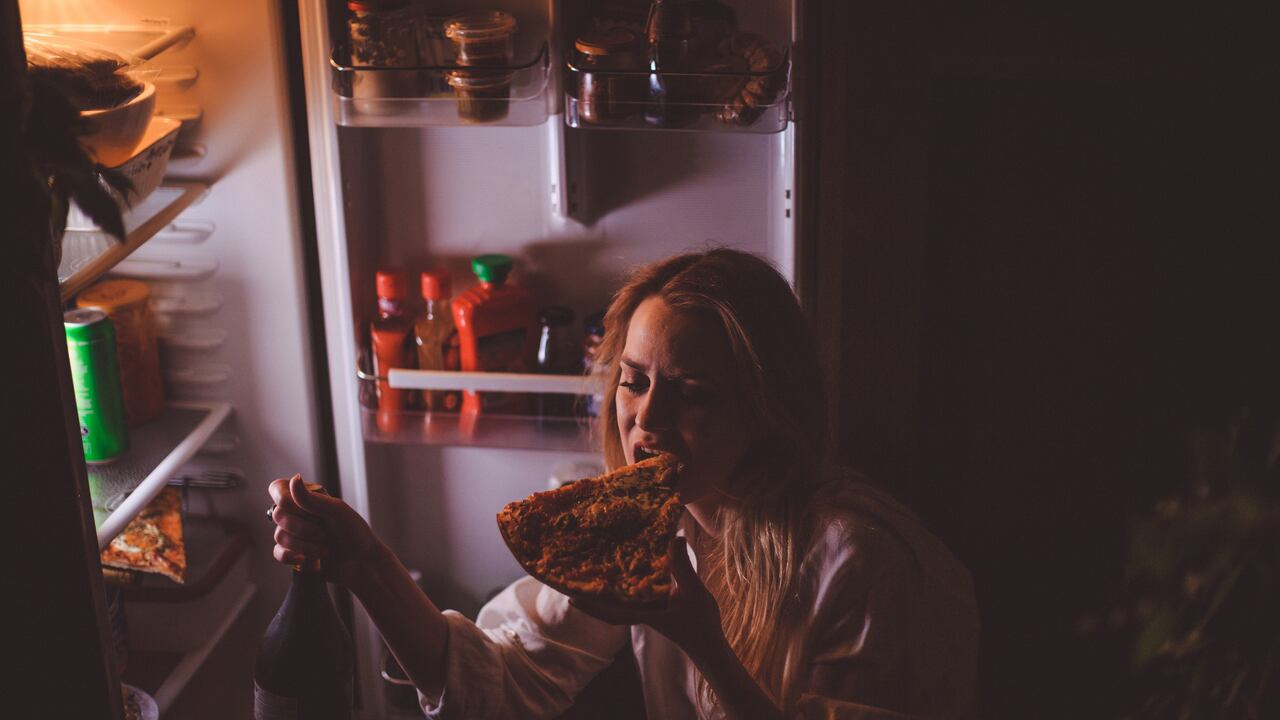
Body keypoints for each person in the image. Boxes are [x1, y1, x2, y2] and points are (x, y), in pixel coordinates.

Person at [268, 249, 979, 719]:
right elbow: (501, 686)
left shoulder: (862, 564)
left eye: (693, 393)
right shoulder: (649, 527)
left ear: (768, 407)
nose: (649, 420)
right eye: (634, 382)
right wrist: (364, 566)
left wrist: (704, 643)